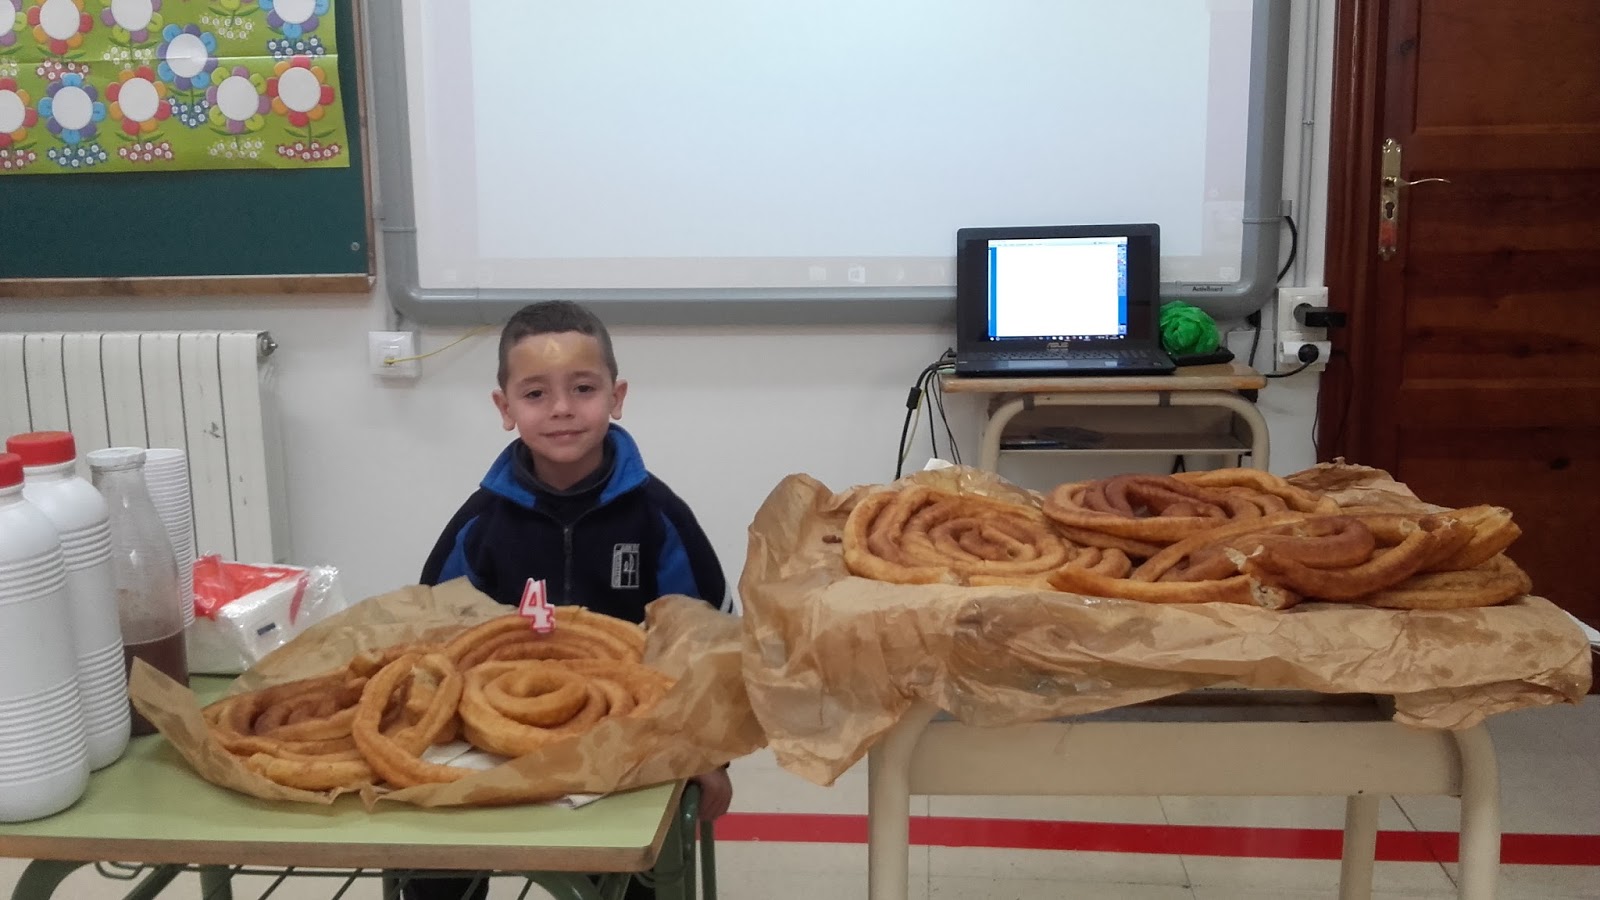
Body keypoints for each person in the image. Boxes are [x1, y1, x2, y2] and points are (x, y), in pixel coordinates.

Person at [410, 301, 734, 900]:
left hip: (628, 736)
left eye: (583, 388)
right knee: (431, 858)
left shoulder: (660, 518)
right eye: (536, 394)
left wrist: (705, 754)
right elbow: (433, 641)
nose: (561, 408)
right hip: (492, 734)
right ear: (505, 409)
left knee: (637, 869)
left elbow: (708, 645)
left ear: (616, 397)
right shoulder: (479, 525)